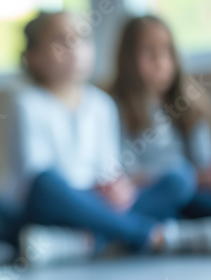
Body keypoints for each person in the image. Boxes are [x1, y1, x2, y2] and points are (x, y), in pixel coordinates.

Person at [14, 11, 211, 265]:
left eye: (81, 38)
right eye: (60, 40)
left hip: (99, 203)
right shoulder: (28, 102)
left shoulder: (101, 104)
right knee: (45, 182)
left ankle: (82, 242)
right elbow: (36, 173)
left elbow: (109, 168)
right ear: (35, 57)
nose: (73, 47)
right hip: (57, 201)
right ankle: (156, 235)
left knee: (179, 181)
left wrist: (118, 186)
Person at [111, 15, 211, 229]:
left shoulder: (188, 105)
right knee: (178, 182)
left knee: (188, 191)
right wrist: (187, 176)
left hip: (191, 191)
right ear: (128, 58)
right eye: (148, 52)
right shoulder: (116, 108)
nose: (160, 61)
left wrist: (198, 176)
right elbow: (127, 174)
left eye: (166, 51)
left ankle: (173, 225)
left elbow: (203, 162)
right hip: (153, 192)